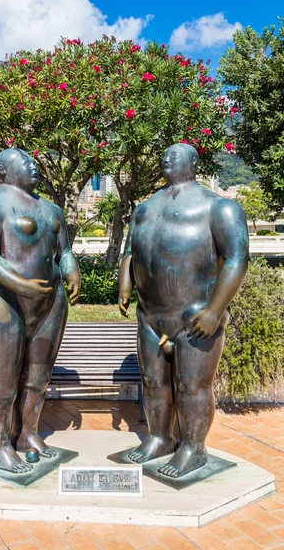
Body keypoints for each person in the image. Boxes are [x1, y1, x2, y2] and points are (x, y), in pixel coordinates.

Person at [118, 143, 248, 478]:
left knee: (193, 386)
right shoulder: (145, 208)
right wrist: (125, 283)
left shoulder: (219, 207)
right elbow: (131, 251)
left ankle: (193, 447)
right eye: (165, 154)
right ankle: (159, 437)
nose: (167, 158)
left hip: (195, 316)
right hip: (150, 314)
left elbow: (236, 259)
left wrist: (215, 310)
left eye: (175, 155)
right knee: (152, 381)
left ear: (193, 162)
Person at [0, 148, 80, 474]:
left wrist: (71, 269)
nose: (33, 167)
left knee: (37, 377)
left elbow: (63, 251)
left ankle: (27, 434)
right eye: (26, 163)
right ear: (3, 172)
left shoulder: (51, 209)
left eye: (35, 164)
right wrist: (19, 284)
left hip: (48, 302)